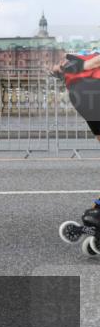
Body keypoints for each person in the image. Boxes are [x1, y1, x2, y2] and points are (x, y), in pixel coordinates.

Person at [53, 47, 100, 255]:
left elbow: (58, 69)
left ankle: (96, 211)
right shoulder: (84, 60)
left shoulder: (72, 60)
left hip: (81, 95)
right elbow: (94, 63)